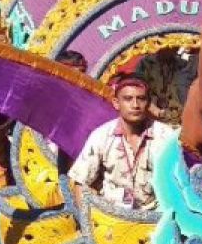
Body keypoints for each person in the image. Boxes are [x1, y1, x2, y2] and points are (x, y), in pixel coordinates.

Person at [68, 74, 175, 210]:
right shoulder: (101, 135)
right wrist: (90, 223)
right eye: (128, 99)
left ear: (148, 103)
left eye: (141, 99)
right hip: (112, 219)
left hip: (157, 217)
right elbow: (80, 184)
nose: (135, 105)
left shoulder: (166, 136)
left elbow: (179, 183)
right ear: (116, 103)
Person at [134, 47, 188, 125]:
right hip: (151, 119)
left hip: (179, 118)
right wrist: (157, 112)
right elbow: (138, 92)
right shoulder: (145, 64)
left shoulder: (184, 65)